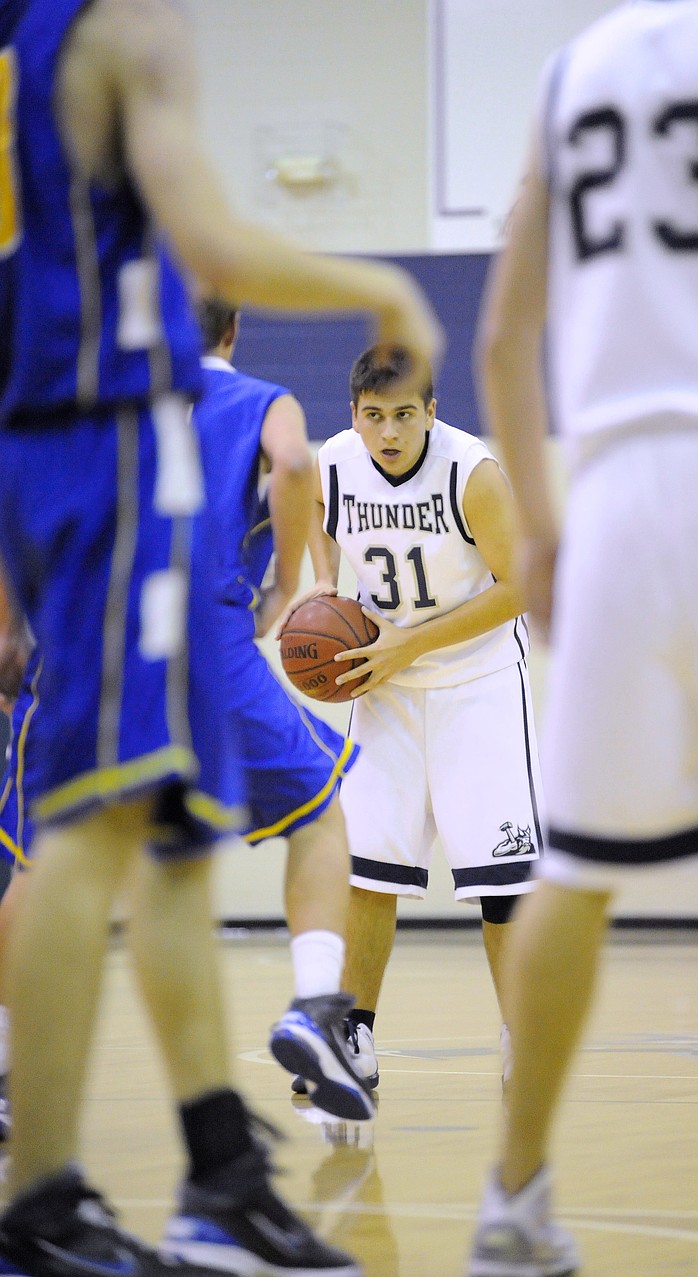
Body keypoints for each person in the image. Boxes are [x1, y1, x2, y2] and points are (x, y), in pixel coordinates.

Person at [0, 4, 439, 1277]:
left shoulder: (30, 49)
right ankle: (40, 1199)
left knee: (176, 830)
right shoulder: (122, 28)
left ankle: (221, 1180)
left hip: (82, 451)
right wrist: (379, 284)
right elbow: (205, 235)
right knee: (95, 821)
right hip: (102, 444)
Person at [466, 2, 698, 1275]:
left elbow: (501, 335)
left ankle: (511, 1199)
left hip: (618, 489)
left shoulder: (571, 70)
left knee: (577, 863)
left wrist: (539, 526)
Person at [284, 343, 544, 1096]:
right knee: (370, 873)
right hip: (385, 683)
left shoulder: (472, 473)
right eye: (374, 417)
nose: (389, 432)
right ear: (355, 415)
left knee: (503, 884)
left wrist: (411, 644)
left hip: (479, 681)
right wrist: (326, 587)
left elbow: (522, 583)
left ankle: (523, 1034)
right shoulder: (336, 461)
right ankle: (352, 1039)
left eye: (404, 415)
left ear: (431, 411)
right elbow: (321, 517)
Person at [192, 298, 372, 1121]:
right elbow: (295, 465)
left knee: (62, 860)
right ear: (234, 329)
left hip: (94, 649)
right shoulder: (257, 400)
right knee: (322, 811)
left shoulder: (102, 397)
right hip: (208, 641)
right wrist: (288, 584)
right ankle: (315, 1006)